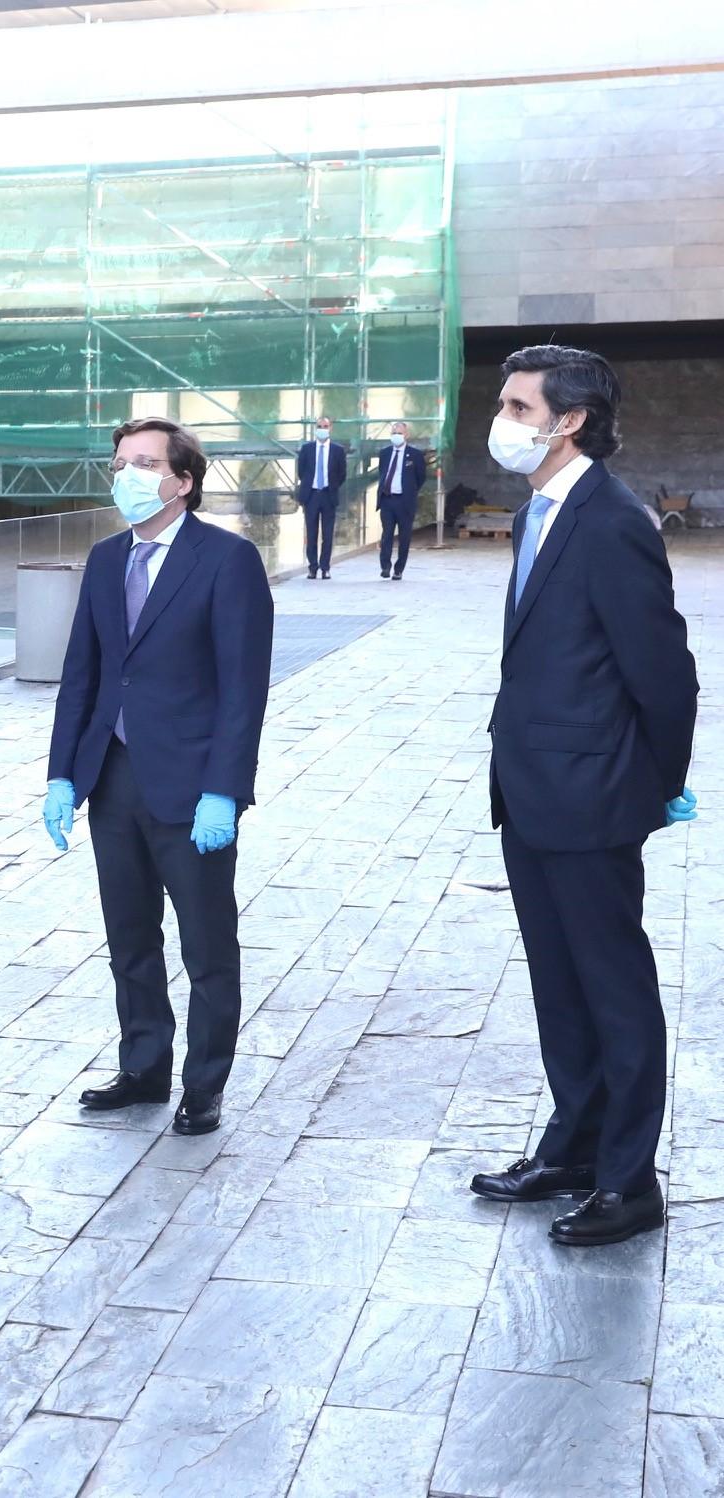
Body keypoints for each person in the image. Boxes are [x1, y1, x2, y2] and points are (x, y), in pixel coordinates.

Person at [468, 345, 698, 1247]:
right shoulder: (540, 510)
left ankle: (627, 1180)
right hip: (528, 790)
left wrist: (656, 787)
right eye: (505, 402)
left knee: (612, 988)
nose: (505, 418)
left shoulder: (609, 521)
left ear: (567, 422)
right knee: (557, 985)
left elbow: (663, 675)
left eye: (519, 407)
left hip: (591, 797)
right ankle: (572, 1144)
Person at [43, 418, 273, 1140]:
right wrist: (60, 775)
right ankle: (142, 1066)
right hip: (112, 780)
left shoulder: (226, 560)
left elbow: (243, 687)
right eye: (119, 463)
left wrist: (224, 789)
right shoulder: (107, 558)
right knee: (129, 938)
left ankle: (203, 1083)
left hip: (189, 785)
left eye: (144, 463)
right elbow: (81, 673)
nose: (126, 475)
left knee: (206, 946)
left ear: (182, 480)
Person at [372, 420, 427, 580]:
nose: (396, 436)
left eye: (400, 433)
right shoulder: (385, 453)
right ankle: (385, 566)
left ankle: (399, 569)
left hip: (405, 501)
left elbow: (420, 477)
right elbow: (383, 472)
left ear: (406, 435)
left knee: (404, 537)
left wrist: (410, 491)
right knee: (387, 534)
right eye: (394, 433)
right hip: (387, 500)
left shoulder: (415, 455)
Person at [294, 414, 348, 578]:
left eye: (325, 427)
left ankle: (325, 567)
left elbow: (341, 474)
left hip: (328, 495)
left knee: (327, 533)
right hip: (311, 495)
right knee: (311, 533)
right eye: (319, 427)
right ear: (315, 429)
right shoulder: (307, 449)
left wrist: (331, 486)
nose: (322, 430)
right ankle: (312, 567)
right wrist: (310, 486)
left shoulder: (338, 450)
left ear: (330, 429)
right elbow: (301, 472)